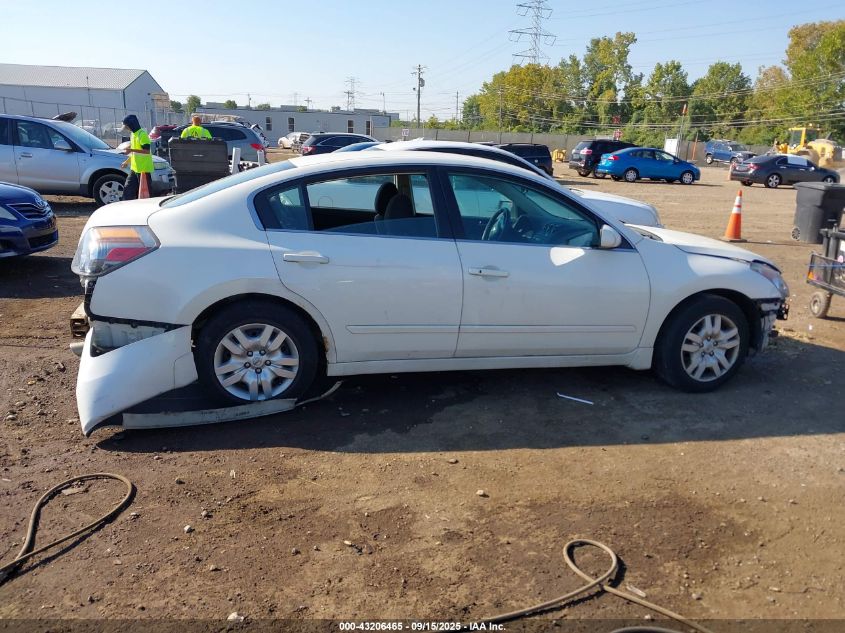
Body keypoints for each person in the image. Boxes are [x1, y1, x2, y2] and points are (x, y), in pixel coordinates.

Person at [119, 114, 154, 201]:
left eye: (127, 126)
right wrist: (127, 162)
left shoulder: (142, 134)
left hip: (143, 170)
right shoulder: (133, 134)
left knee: (145, 192)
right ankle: (126, 205)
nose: (127, 128)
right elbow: (135, 153)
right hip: (135, 169)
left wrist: (131, 150)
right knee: (128, 189)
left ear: (132, 124)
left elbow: (146, 151)